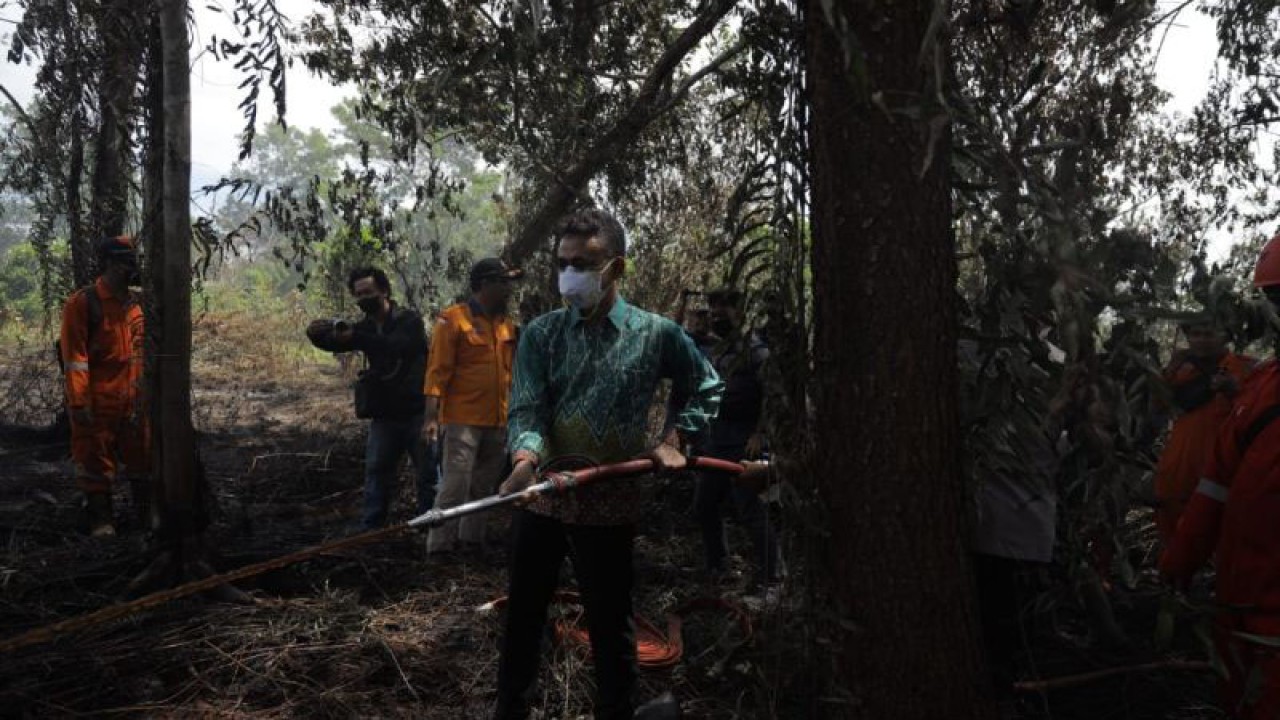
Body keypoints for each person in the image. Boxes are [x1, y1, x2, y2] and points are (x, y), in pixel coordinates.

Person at [492, 208, 723, 720]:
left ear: (615, 268)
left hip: (610, 500)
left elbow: (705, 383)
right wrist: (526, 459)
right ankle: (511, 711)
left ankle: (615, 711)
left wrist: (675, 438)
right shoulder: (543, 334)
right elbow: (528, 404)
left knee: (609, 616)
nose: (569, 274)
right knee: (525, 614)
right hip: (545, 494)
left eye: (583, 263)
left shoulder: (654, 333)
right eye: (563, 263)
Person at [1160, 232, 1280, 719]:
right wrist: (1176, 568)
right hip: (1240, 611)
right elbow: (1214, 489)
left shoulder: (1249, 382)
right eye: (1276, 300)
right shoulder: (1260, 389)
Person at [306, 267, 434, 529]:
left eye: (369, 292)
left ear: (384, 291)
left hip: (417, 412)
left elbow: (395, 345)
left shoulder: (409, 321)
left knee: (428, 474)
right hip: (384, 415)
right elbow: (337, 342)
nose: (364, 298)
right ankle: (371, 528)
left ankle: (430, 526)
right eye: (359, 294)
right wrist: (318, 334)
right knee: (376, 472)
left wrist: (357, 337)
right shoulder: (363, 326)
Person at [423, 257, 524, 555]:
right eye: (503, 282)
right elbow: (437, 371)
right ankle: (439, 547)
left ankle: (471, 541)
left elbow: (512, 373)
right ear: (485, 284)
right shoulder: (453, 319)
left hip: (498, 420)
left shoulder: (506, 325)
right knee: (455, 484)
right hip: (462, 420)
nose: (508, 288)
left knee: (483, 487)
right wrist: (430, 417)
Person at [691, 288, 783, 591]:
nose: (716, 312)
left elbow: (773, 393)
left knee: (750, 509)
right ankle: (719, 567)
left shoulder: (755, 349)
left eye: (725, 306)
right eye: (713, 306)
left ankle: (774, 577)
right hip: (717, 442)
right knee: (704, 504)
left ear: (740, 311)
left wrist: (760, 433)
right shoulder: (718, 351)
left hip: (746, 443)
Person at [60, 235, 149, 538]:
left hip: (134, 402)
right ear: (111, 263)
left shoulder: (138, 305)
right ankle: (101, 522)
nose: (134, 269)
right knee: (95, 463)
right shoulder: (83, 303)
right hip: (96, 402)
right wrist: (79, 401)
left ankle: (147, 520)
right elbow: (75, 357)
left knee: (143, 462)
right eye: (128, 263)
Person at [1152, 319, 1254, 543]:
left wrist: (1233, 392)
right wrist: (1171, 368)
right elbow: (1156, 406)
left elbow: (1258, 415)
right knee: (1171, 517)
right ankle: (1174, 571)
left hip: (1224, 465)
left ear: (1226, 336)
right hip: (1182, 462)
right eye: (1195, 334)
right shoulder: (1181, 369)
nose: (1201, 340)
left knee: (1227, 527)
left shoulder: (1246, 368)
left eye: (1209, 334)